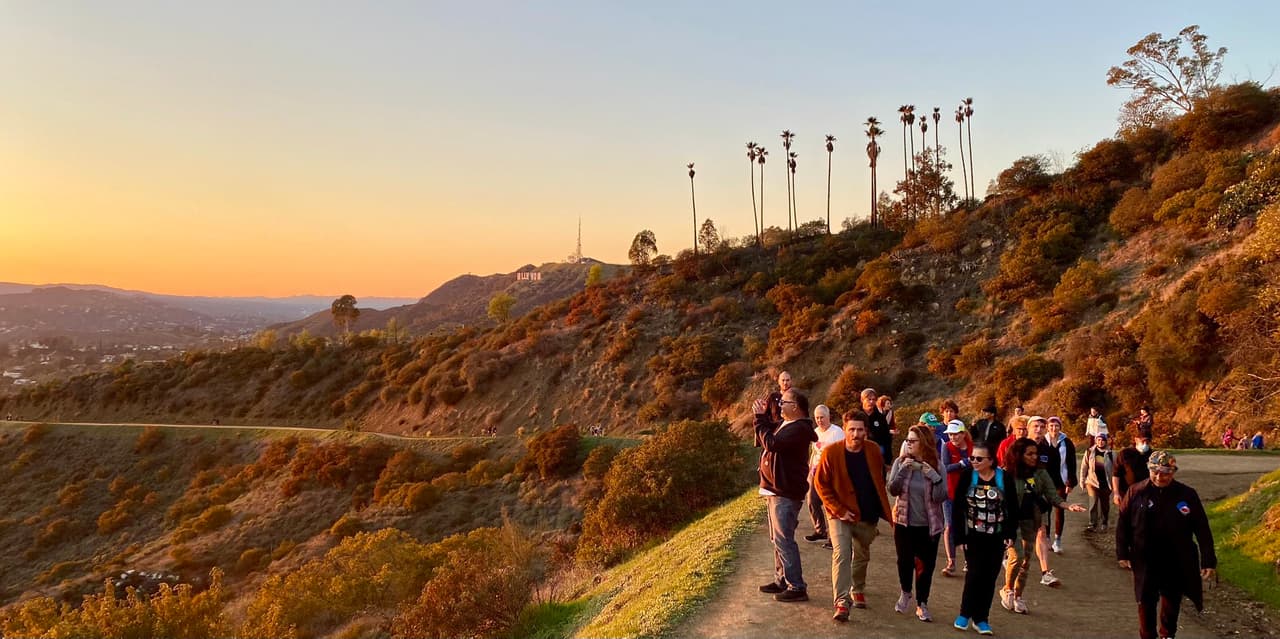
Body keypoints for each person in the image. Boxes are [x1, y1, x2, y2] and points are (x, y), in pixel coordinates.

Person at [1116, 451, 1217, 639]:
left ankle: (1168, 635)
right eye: (1155, 472)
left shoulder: (1187, 495)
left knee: (1171, 600)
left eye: (1165, 473)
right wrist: (1122, 552)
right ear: (1149, 470)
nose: (1159, 477)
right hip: (1145, 557)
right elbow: (1123, 523)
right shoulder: (1136, 492)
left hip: (1176, 558)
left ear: (1173, 472)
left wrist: (1208, 561)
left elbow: (1202, 528)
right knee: (1145, 600)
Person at [813, 410, 893, 621]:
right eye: (851, 430)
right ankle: (841, 602)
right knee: (841, 553)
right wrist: (839, 509)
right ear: (845, 429)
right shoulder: (831, 453)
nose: (855, 434)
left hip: (866, 514)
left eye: (859, 430)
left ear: (866, 431)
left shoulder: (873, 450)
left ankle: (857, 588)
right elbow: (820, 484)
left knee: (862, 553)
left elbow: (879, 480)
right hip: (839, 513)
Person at [999, 438, 1086, 614]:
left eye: (1036, 453)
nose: (1034, 457)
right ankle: (1007, 589)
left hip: (1031, 521)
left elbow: (1053, 496)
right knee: (1017, 556)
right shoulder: (1006, 473)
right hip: (1011, 522)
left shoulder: (1040, 473)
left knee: (1026, 561)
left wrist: (1068, 506)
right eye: (1029, 454)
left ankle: (1018, 596)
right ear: (1018, 455)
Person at [753, 388, 819, 602]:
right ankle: (781, 579)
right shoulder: (788, 424)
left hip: (786, 492)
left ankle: (797, 586)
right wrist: (763, 415)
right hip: (776, 489)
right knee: (777, 539)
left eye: (784, 402)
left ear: (796, 407)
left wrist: (758, 419)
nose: (780, 405)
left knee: (784, 540)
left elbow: (772, 443)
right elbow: (766, 435)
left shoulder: (799, 428)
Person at [951, 443, 1016, 636]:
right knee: (974, 574)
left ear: (991, 460)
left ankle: (981, 618)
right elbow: (958, 508)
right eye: (972, 458)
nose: (974, 461)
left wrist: (1010, 534)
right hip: (973, 536)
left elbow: (1012, 508)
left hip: (996, 537)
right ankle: (965, 613)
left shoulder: (1003, 478)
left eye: (979, 458)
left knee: (989, 577)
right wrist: (959, 537)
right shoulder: (967, 476)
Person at [887, 425, 948, 622]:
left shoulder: (938, 466)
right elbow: (892, 490)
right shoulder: (900, 462)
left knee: (925, 566)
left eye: (912, 441)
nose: (908, 444)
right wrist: (903, 470)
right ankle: (906, 592)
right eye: (907, 440)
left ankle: (922, 603)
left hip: (929, 526)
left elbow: (941, 497)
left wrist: (934, 476)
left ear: (924, 443)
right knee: (904, 561)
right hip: (903, 522)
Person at [1028, 416, 1066, 587]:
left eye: (1042, 427)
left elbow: (1053, 475)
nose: (1039, 429)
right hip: (1019, 497)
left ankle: (1045, 573)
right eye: (1035, 426)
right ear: (1029, 428)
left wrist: (1055, 494)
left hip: (1039, 498)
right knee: (1020, 535)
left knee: (1041, 532)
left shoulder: (1048, 450)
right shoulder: (1018, 446)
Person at [805, 404, 844, 545]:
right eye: (817, 418)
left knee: (830, 505)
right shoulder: (815, 432)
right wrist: (809, 468)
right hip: (815, 472)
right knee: (812, 501)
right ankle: (820, 530)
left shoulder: (837, 432)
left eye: (822, 417)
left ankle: (834, 538)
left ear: (828, 417)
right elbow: (814, 452)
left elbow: (842, 454)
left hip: (830, 473)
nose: (819, 420)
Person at [940, 419, 973, 577]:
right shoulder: (946, 447)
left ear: (963, 434)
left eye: (955, 434)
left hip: (970, 493)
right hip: (950, 492)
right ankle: (951, 562)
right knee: (950, 526)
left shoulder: (973, 447)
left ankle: (969, 560)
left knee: (969, 527)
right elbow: (945, 468)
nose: (952, 437)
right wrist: (961, 464)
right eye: (950, 434)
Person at [1045, 416, 1077, 554]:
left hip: (1061, 481)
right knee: (1045, 510)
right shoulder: (1043, 441)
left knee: (1059, 509)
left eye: (1056, 426)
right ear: (1047, 427)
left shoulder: (1066, 442)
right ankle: (1046, 538)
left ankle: (1057, 540)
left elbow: (1071, 463)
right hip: (1046, 482)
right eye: (1051, 426)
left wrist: (1070, 482)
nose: (1054, 428)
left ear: (1060, 427)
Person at [1080, 433, 1116, 532]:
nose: (1100, 442)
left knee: (1105, 504)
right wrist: (1082, 480)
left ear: (1106, 441)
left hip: (1106, 483)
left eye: (1102, 440)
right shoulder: (1089, 452)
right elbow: (1084, 467)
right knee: (1093, 502)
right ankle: (1092, 524)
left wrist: (1115, 484)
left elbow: (1115, 470)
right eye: (1098, 440)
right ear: (1096, 441)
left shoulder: (1111, 454)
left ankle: (1104, 523)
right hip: (1092, 482)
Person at [758, 371, 794, 447]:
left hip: (791, 433)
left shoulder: (795, 397)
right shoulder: (773, 397)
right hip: (775, 435)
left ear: (791, 381)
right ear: (779, 382)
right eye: (783, 380)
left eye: (787, 380)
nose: (785, 383)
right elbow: (765, 415)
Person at [862, 388, 893, 468]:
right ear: (862, 400)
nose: (871, 402)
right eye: (869, 399)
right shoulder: (856, 416)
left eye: (874, 399)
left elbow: (887, 439)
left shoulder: (880, 418)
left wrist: (888, 460)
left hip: (877, 455)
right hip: (860, 455)